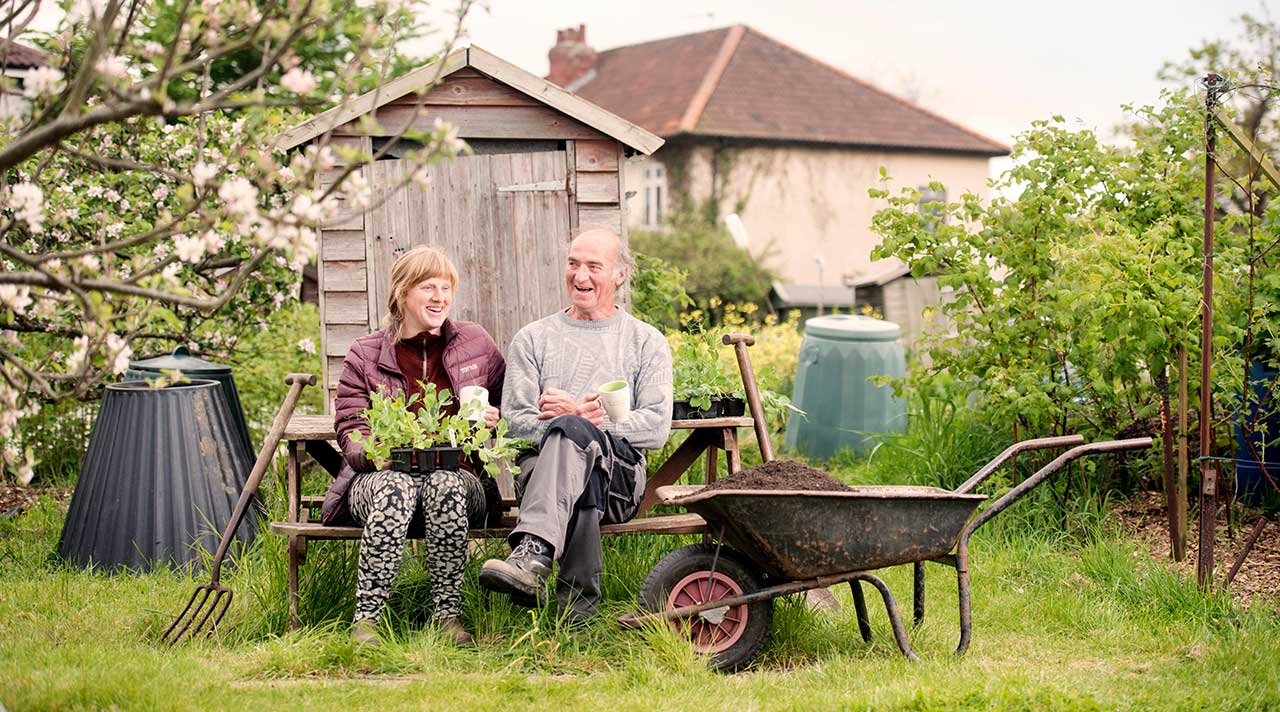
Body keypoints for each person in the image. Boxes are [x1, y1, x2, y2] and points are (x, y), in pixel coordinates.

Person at [479, 227, 673, 622]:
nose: (580, 276)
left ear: (619, 275)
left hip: (618, 483)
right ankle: (576, 618)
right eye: (573, 264)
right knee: (574, 461)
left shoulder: (645, 341)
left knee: (575, 434)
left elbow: (655, 427)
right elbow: (514, 424)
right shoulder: (532, 339)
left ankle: (533, 553)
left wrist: (584, 420)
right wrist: (572, 423)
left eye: (593, 267)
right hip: (542, 479)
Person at [321, 246, 506, 647]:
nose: (440, 297)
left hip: (460, 480)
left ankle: (448, 618)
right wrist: (374, 453)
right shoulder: (366, 353)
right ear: (403, 293)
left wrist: (495, 417)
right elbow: (351, 425)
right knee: (396, 486)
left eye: (446, 287)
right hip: (381, 479)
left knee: (445, 482)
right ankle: (367, 621)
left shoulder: (476, 343)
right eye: (428, 287)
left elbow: (512, 403)